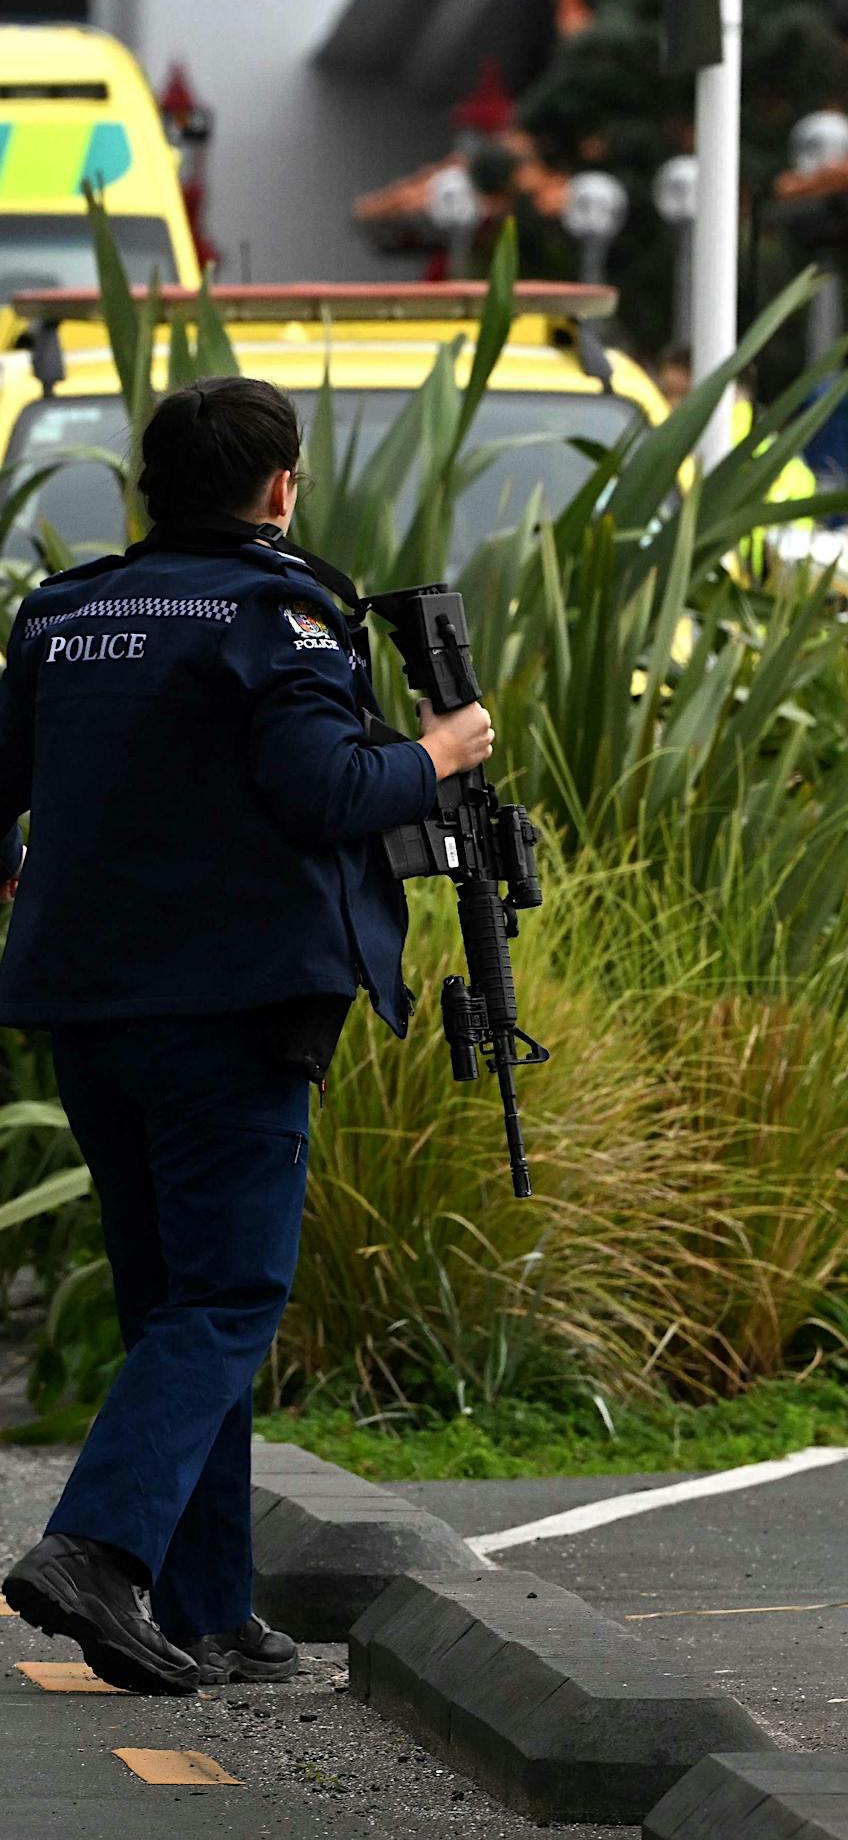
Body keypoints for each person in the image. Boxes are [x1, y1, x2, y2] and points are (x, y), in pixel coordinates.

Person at [0, 376, 495, 1692]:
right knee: (228, 1300)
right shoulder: (280, 615)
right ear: (281, 488)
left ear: (149, 489)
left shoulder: (64, 613)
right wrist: (442, 750)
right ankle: (96, 1553)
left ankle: (212, 1612)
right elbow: (325, 787)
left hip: (88, 1012)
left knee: (177, 1307)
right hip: (232, 1016)